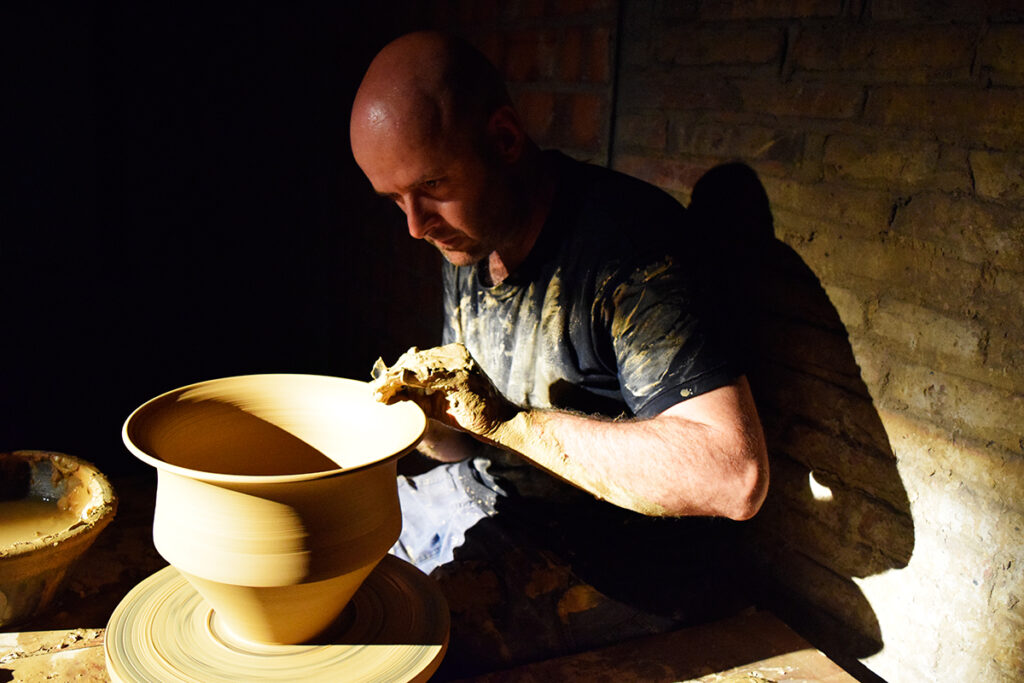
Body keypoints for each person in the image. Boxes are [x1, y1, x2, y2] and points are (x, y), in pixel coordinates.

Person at [349, 31, 769, 677]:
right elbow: (469, 444)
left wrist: (506, 422)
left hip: (620, 565)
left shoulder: (629, 248)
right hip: (490, 493)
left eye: (432, 184)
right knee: (328, 561)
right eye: (394, 200)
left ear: (506, 140)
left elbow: (732, 476)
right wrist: (426, 418)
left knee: (373, 649)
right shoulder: (465, 232)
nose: (415, 224)